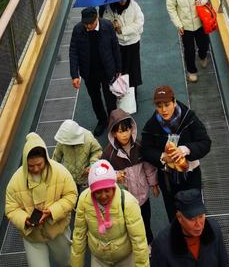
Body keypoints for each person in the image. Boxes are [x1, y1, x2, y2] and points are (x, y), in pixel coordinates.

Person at [5, 131, 77, 267]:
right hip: (33, 236)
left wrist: (52, 211)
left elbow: (71, 195)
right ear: (25, 163)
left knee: (67, 261)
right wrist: (24, 219)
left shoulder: (60, 172)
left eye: (39, 164)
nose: (36, 169)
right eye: (31, 166)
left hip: (57, 230)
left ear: (46, 159)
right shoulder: (15, 182)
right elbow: (11, 208)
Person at [140, 86, 211, 222]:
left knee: (194, 213)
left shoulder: (189, 119)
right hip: (167, 178)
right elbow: (146, 150)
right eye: (159, 106)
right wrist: (163, 157)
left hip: (191, 174)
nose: (164, 110)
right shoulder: (151, 126)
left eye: (167, 105)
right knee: (174, 214)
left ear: (174, 102)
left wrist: (185, 149)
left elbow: (205, 143)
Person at [71, 158, 149, 267]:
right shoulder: (84, 200)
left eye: (107, 190)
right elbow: (79, 235)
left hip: (125, 258)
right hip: (99, 259)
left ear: (113, 187)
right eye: (98, 192)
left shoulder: (128, 202)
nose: (103, 196)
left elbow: (139, 241)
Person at [102, 109, 159, 247]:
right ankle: (134, 245)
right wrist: (115, 176)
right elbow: (105, 176)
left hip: (143, 196)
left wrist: (154, 184)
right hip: (125, 199)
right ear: (114, 133)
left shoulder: (139, 146)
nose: (125, 134)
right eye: (121, 131)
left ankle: (148, 243)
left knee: (146, 221)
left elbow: (148, 167)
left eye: (127, 130)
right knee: (129, 224)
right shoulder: (108, 154)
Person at [70, 7, 122, 137]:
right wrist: (74, 75)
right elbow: (73, 51)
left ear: (97, 18)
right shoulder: (78, 29)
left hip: (107, 69)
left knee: (110, 98)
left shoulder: (107, 25)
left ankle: (113, 120)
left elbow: (115, 47)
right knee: (95, 99)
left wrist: (118, 69)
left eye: (91, 23)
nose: (88, 26)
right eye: (85, 24)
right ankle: (102, 121)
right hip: (89, 72)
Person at [150, 190, 229, 266]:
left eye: (201, 216)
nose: (198, 224)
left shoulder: (214, 230)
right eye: (192, 219)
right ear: (179, 217)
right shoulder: (162, 245)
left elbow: (224, 263)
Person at [165, 0, 211, 83]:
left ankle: (202, 56)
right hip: (185, 26)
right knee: (189, 50)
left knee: (204, 44)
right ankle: (191, 71)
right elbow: (171, 9)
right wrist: (178, 24)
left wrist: (202, 0)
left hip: (200, 23)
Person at [103, 0, 144, 96]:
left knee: (133, 66)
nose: (122, 1)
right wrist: (112, 24)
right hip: (119, 43)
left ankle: (133, 89)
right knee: (121, 67)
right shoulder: (110, 9)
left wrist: (122, 30)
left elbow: (139, 23)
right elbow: (105, 20)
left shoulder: (134, 6)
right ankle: (121, 88)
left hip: (133, 42)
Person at [53, 119, 103, 192]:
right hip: (69, 176)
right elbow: (56, 157)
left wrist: (92, 165)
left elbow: (97, 151)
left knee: (86, 196)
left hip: (85, 176)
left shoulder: (88, 138)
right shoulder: (63, 140)